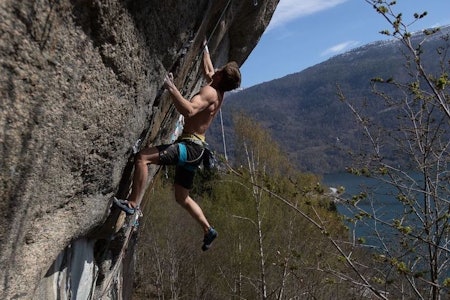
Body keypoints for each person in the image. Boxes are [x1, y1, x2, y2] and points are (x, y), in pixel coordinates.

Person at [114, 40, 241, 251]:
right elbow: (209, 69)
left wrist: (171, 87)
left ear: (220, 78)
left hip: (190, 148)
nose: (216, 70)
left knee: (142, 158)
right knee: (182, 197)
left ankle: (132, 203)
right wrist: (205, 48)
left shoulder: (210, 93)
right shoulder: (218, 91)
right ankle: (208, 230)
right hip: (196, 150)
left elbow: (190, 110)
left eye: (220, 70)